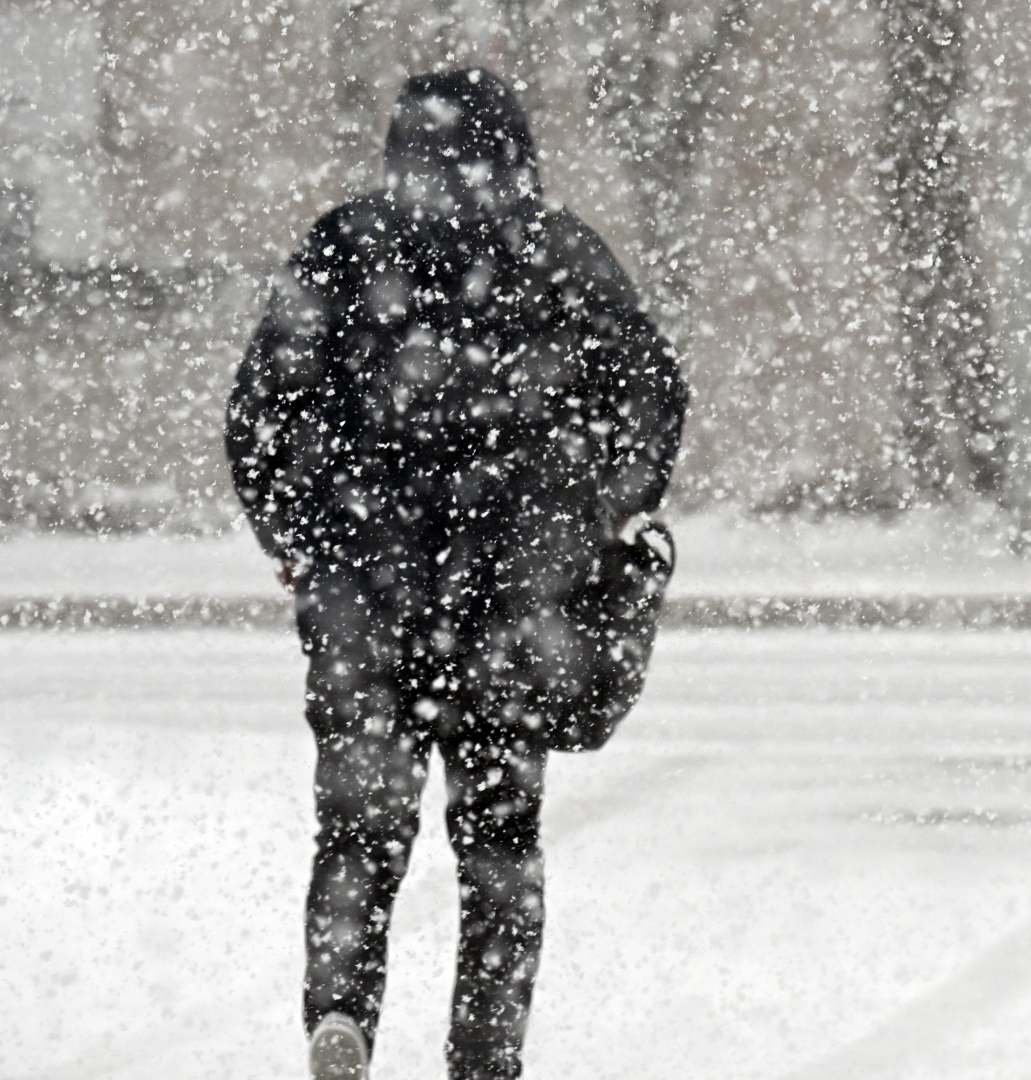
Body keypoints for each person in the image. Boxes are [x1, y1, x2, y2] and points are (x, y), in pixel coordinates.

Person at [227, 68, 686, 1080]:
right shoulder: (558, 255)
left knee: (357, 833)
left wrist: (305, 541)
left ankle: (340, 1013)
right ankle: (485, 1056)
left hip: (366, 595)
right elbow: (651, 404)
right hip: (511, 608)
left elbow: (261, 417)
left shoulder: (346, 249)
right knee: (500, 847)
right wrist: (595, 521)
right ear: (517, 155)